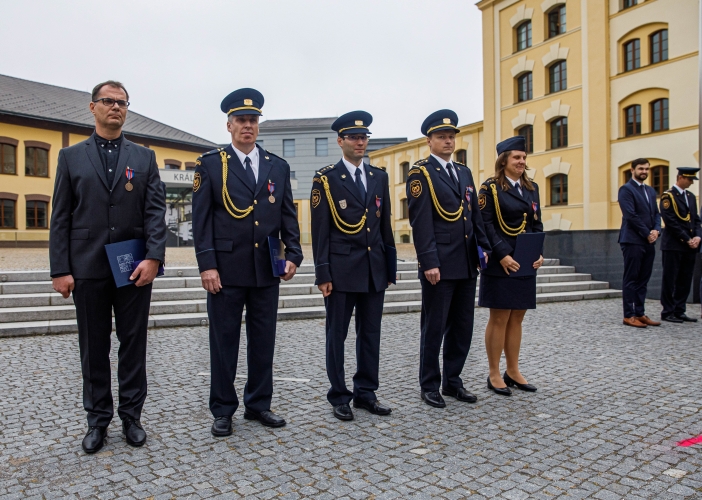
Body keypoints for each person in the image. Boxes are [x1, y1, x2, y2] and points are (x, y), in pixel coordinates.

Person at [49, 80, 167, 453]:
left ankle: (132, 417)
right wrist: (60, 269)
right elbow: (61, 217)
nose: (115, 107)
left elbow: (154, 212)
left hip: (133, 268)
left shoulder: (144, 157)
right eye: (108, 101)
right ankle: (98, 420)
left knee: (133, 344)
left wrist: (154, 257)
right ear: (92, 107)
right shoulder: (71, 157)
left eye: (122, 102)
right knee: (93, 347)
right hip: (87, 268)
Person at [192, 88, 303, 437]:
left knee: (263, 340)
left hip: (265, 268)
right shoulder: (211, 164)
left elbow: (288, 215)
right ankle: (223, 409)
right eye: (241, 120)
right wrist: (206, 265)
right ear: (229, 125)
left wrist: (294, 255)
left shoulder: (277, 166)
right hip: (225, 269)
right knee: (224, 341)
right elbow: (201, 220)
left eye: (253, 120)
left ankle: (258, 404)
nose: (247, 126)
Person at [310, 111, 396, 421]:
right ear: (340, 141)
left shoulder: (378, 176)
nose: (360, 142)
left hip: (374, 269)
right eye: (354, 137)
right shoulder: (326, 179)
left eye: (364, 137)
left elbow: (384, 224)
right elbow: (320, 230)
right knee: (337, 335)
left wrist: (389, 266)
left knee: (371, 333)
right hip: (342, 271)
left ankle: (366, 392)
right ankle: (339, 395)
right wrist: (323, 272)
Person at [406, 110, 491, 409]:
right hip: (439, 265)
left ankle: (453, 381)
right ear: (428, 141)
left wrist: (484, 249)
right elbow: (421, 221)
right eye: (441, 136)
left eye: (451, 136)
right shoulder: (421, 173)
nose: (448, 141)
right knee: (434, 327)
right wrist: (428, 261)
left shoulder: (464, 172)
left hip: (467, 263)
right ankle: (429, 384)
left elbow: (475, 216)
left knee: (462, 327)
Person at [478, 136, 542, 396]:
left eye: (524, 158)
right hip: (501, 262)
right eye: (516, 157)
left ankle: (513, 370)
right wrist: (502, 253)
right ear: (503, 159)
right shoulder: (490, 188)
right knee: (500, 316)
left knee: (518, 316)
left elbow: (536, 223)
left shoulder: (531, 187)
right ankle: (494, 372)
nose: (521, 162)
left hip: (525, 259)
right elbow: (486, 224)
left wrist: (538, 253)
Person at [617, 158, 662, 328]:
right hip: (632, 241)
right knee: (631, 278)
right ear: (632, 170)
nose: (644, 171)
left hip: (648, 241)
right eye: (641, 168)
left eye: (647, 169)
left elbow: (656, 214)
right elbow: (630, 215)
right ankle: (629, 315)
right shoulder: (626, 190)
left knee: (643, 279)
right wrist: (647, 233)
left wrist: (657, 230)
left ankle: (640, 313)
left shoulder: (650, 191)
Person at [659, 167, 702, 323]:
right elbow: (671, 221)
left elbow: (696, 220)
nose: (691, 183)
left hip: (689, 245)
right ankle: (668, 311)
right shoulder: (668, 197)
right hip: (673, 244)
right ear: (681, 178)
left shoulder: (690, 197)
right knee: (670, 279)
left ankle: (679, 309)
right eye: (689, 179)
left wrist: (698, 236)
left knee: (685, 279)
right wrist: (686, 239)